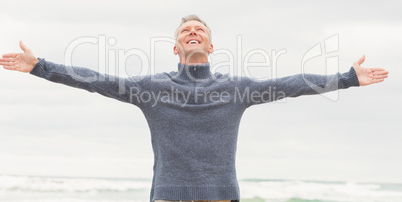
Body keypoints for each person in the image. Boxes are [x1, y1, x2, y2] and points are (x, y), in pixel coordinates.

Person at [0, 15, 389, 202]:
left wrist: (348, 78)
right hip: (169, 196)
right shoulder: (150, 88)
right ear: (175, 48)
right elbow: (96, 80)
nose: (192, 32)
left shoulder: (237, 88)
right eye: (185, 31)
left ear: (211, 46)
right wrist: (40, 67)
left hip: (222, 195)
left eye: (200, 29)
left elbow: (289, 85)